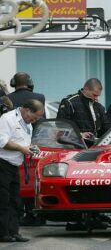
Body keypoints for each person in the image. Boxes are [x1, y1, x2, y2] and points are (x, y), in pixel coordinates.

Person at [0, 99, 44, 242]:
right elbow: (3, 142)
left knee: (15, 201)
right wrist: (22, 148)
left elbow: (23, 142)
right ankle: (3, 233)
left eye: (37, 118)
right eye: (34, 116)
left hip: (15, 165)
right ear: (26, 109)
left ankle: (14, 232)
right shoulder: (7, 119)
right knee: (3, 200)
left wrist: (31, 147)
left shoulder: (28, 125)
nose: (34, 120)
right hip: (3, 163)